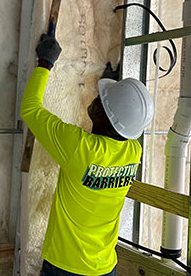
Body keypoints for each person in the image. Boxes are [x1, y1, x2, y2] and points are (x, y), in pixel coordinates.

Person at [21, 33, 154, 276]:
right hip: (104, 267)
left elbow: (30, 109)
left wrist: (45, 64)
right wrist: (113, 97)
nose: (95, 97)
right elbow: (116, 129)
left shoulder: (78, 148)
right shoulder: (133, 152)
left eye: (101, 100)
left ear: (105, 117)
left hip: (64, 267)